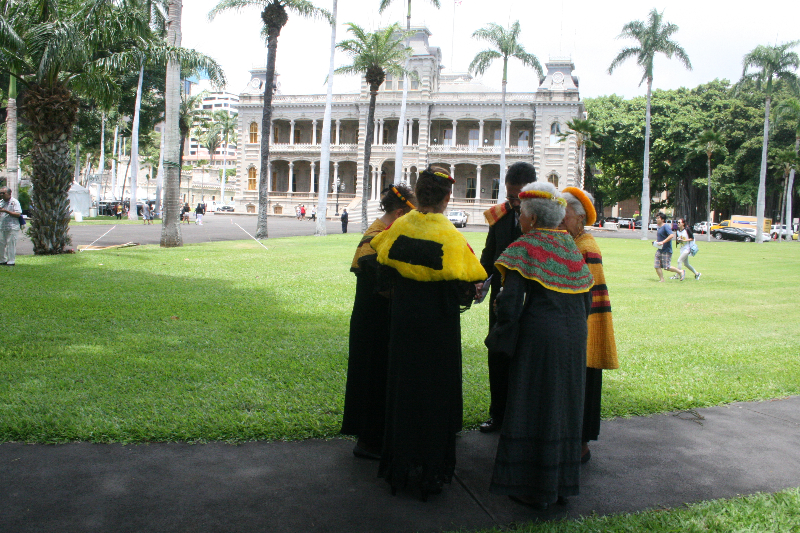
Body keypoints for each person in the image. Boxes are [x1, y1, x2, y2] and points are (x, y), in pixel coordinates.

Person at [371, 167, 486, 501]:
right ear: (447, 198)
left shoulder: (400, 226)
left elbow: (382, 272)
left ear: (419, 194)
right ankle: (430, 472)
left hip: (404, 324)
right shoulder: (450, 235)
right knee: (435, 395)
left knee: (404, 390)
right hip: (438, 328)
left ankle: (400, 466)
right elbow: (466, 288)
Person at [486, 181, 593, 510]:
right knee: (564, 407)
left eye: (521, 213)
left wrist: (501, 329)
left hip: (540, 338)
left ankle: (533, 489)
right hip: (575, 337)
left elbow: (510, 304)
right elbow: (586, 298)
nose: (519, 218)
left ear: (532, 218)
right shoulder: (571, 245)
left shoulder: (525, 246)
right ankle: (560, 486)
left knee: (533, 407)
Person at [341, 184, 417, 461]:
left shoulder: (383, 232)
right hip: (372, 323)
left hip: (381, 320)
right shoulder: (374, 239)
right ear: (399, 213)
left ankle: (379, 437)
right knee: (372, 378)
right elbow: (383, 286)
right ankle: (369, 442)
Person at [560, 188, 619, 464]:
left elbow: (589, 297)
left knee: (582, 391)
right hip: (578, 331)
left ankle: (580, 447)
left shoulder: (586, 246)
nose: (561, 220)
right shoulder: (576, 242)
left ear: (580, 217)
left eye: (565, 214)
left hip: (585, 332)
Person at [478, 162, 537, 434]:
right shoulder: (500, 217)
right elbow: (489, 257)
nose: (513, 203)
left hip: (531, 302)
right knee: (498, 355)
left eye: (518, 197)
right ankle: (498, 414)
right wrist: (478, 281)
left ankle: (523, 420)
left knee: (526, 359)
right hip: (500, 303)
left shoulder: (545, 219)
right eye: (510, 196)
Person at [654, 213, 683, 282]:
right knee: (656, 266)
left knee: (667, 267)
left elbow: (671, 235)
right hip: (660, 249)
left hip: (666, 250)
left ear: (662, 219)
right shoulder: (659, 227)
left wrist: (663, 242)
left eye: (658, 218)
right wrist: (656, 242)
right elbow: (662, 237)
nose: (656, 219)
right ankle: (662, 279)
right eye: (656, 218)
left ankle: (680, 272)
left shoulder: (666, 226)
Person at [0, 186, 22, 266]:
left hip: (12, 226)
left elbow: (18, 214)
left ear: (9, 193)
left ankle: (11, 261)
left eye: (3, 193)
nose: (1, 195)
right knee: (1, 243)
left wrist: (5, 211)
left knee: (11, 244)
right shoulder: (1, 202)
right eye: (0, 193)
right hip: (2, 226)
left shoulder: (14, 202)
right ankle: (2, 260)